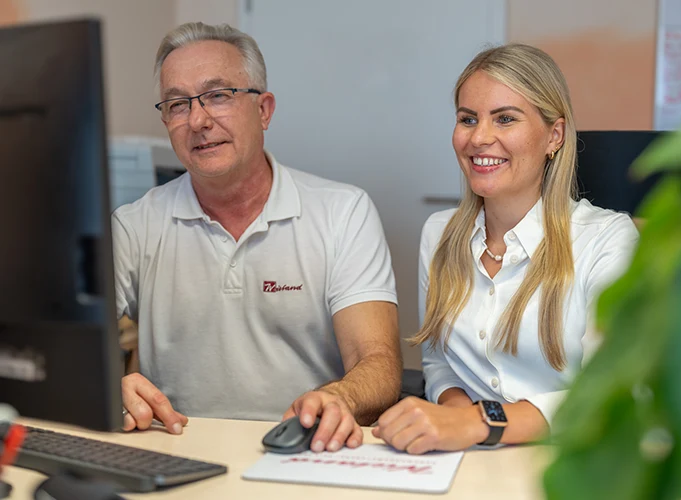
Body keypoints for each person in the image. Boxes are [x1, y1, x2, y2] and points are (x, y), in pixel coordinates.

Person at [114, 22, 402, 453]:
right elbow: (69, 351)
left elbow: (377, 363)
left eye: (217, 96)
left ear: (264, 110)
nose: (197, 120)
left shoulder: (342, 211)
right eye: (177, 104)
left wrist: (339, 398)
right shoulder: (135, 223)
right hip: (175, 448)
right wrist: (106, 384)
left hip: (302, 447)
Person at [373, 44, 639, 454]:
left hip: (569, 461)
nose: (479, 138)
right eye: (467, 119)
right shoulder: (438, 235)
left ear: (555, 135)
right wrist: (453, 419)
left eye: (505, 119)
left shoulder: (607, 240)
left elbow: (609, 391)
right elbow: (440, 364)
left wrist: (478, 423)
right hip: (465, 461)